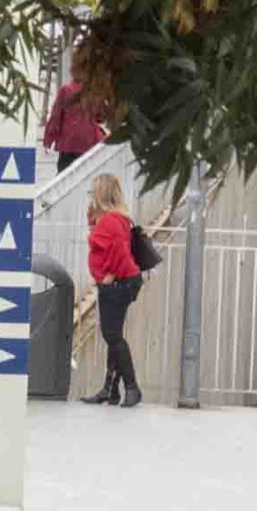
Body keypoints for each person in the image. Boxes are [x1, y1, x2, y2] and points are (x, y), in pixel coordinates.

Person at [84, 171, 144, 408]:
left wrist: (109, 275)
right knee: (114, 334)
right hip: (124, 281)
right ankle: (110, 390)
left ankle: (131, 386)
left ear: (100, 194)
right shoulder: (115, 218)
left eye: (93, 192)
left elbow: (119, 251)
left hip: (118, 283)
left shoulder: (110, 221)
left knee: (113, 336)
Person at [41, 78, 105, 171]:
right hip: (88, 142)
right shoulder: (93, 92)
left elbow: (56, 116)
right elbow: (100, 116)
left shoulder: (65, 90)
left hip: (68, 143)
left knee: (64, 176)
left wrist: (48, 139)